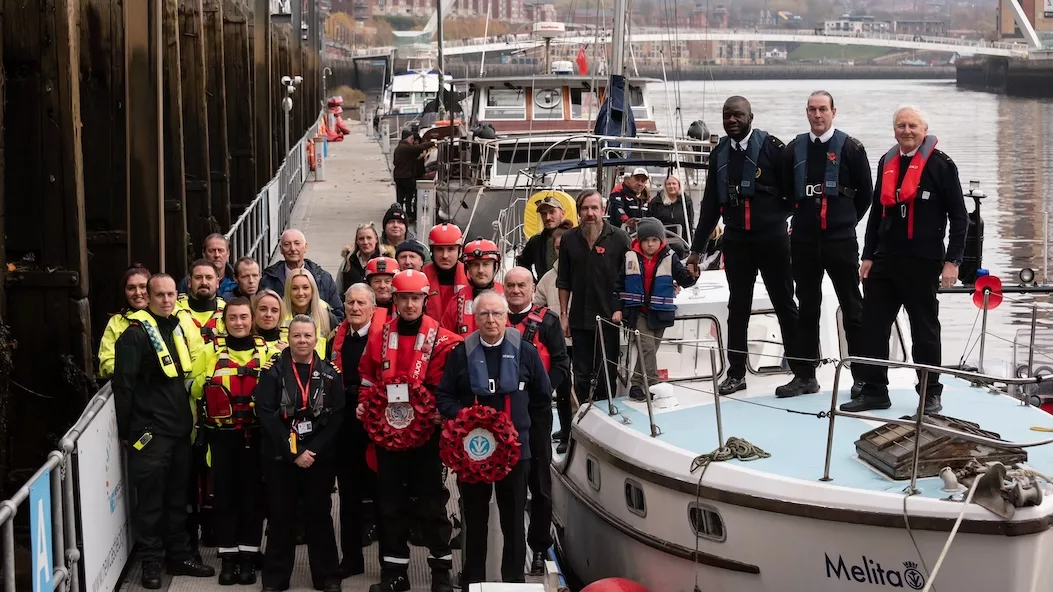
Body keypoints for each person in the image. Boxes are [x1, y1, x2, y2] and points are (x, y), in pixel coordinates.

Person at [841, 105, 968, 414]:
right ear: (894, 130)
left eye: (912, 126)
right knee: (873, 327)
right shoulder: (887, 162)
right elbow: (875, 214)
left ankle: (930, 394)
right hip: (885, 261)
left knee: (924, 330)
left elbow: (960, 217)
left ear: (924, 130)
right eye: (901, 126)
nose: (906, 131)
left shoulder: (941, 166)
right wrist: (868, 255)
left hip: (923, 262)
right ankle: (874, 390)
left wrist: (953, 261)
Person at [685, 95, 806, 396]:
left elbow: (793, 195)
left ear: (751, 116)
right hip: (737, 241)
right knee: (737, 307)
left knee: (785, 303)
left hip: (772, 239)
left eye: (738, 115)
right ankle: (736, 373)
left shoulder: (773, 149)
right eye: (727, 115)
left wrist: (777, 218)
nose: (732, 120)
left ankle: (803, 372)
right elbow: (711, 206)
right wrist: (696, 251)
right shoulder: (719, 154)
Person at [435, 291, 553, 585]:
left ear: (505, 317)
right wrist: (462, 418)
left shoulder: (526, 351)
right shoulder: (461, 353)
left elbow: (541, 397)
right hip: (473, 453)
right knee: (474, 523)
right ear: (476, 319)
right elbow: (444, 396)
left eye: (497, 314)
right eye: (484, 314)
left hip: (516, 453)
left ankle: (513, 582)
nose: (491, 320)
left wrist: (533, 440)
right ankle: (472, 581)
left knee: (513, 522)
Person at [357, 270, 461, 592]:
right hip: (387, 436)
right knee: (390, 503)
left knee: (431, 503)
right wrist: (364, 405)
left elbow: (450, 388)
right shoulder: (378, 336)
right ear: (395, 300)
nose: (410, 304)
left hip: (426, 437)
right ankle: (394, 573)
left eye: (416, 298)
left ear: (425, 300)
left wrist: (441, 414)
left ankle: (440, 572)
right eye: (404, 298)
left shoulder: (444, 341)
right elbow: (367, 379)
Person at [112, 273, 216, 588]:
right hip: (151, 433)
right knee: (151, 504)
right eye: (160, 295)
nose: (167, 300)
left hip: (180, 431)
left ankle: (179, 556)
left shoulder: (177, 326)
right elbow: (124, 387)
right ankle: (152, 564)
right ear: (149, 296)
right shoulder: (134, 335)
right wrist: (128, 432)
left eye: (172, 294)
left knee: (177, 501)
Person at [781, 90, 873, 398]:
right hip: (805, 240)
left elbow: (866, 195)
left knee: (852, 306)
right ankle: (805, 375)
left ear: (834, 112)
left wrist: (844, 220)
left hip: (839, 239)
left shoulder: (851, 148)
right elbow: (784, 192)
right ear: (806, 112)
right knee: (807, 307)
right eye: (812, 109)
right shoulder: (794, 149)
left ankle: (861, 377)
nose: (817, 115)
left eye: (823, 109)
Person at [256, 315, 345, 592]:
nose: (302, 341)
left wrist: (313, 451)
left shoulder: (330, 372)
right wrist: (295, 452)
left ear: (316, 337)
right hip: (282, 457)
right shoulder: (273, 372)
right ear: (289, 337)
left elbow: (337, 415)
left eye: (308, 335)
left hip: (318, 458)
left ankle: (327, 576)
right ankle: (275, 579)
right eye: (297, 335)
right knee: (281, 516)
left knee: (319, 514)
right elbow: (266, 414)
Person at [190, 298, 275, 586]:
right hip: (221, 436)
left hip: (256, 436)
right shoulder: (208, 352)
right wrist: (210, 385)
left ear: (252, 320)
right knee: (224, 498)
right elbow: (191, 386)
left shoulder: (269, 353)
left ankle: (249, 558)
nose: (239, 323)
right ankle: (228, 557)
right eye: (233, 318)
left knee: (252, 498)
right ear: (224, 322)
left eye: (244, 317)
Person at [503, 267, 570, 575]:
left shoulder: (548, 323)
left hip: (536, 415)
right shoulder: (493, 319)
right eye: (511, 285)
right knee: (507, 486)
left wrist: (541, 393)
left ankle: (540, 546)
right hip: (500, 415)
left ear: (532, 289)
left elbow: (560, 364)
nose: (516, 290)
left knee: (540, 486)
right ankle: (508, 546)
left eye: (522, 285)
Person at [558, 190, 631, 401]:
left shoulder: (619, 238)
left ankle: (607, 417)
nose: (590, 213)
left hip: (609, 319)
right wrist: (564, 315)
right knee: (580, 375)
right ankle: (583, 415)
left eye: (594, 208)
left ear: (603, 210)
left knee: (607, 374)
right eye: (585, 208)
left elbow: (631, 276)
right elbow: (564, 280)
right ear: (579, 212)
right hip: (579, 319)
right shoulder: (569, 239)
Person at [328, 284, 380, 578]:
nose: (355, 308)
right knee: (347, 498)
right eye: (350, 303)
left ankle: (390, 562)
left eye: (361, 303)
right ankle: (351, 560)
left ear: (373, 308)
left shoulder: (384, 338)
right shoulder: (335, 340)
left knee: (382, 497)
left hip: (377, 428)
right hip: (344, 427)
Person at [614, 218, 697, 401]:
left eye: (654, 240)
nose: (650, 244)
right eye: (646, 240)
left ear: (661, 240)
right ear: (640, 241)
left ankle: (636, 385)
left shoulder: (670, 257)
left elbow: (685, 280)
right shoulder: (630, 256)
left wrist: (693, 274)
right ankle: (654, 385)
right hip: (638, 311)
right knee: (648, 348)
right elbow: (619, 285)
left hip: (661, 312)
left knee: (648, 351)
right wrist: (617, 309)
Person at [534, 227, 574, 453]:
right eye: (558, 248)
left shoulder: (582, 272)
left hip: (581, 340)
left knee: (581, 388)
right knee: (562, 389)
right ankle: (566, 431)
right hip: (558, 343)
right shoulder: (548, 278)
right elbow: (537, 303)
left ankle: (575, 431)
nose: (562, 251)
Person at [259, 229, 344, 322]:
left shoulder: (324, 279)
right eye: (287, 244)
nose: (292, 248)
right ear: (281, 249)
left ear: (305, 247)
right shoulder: (268, 280)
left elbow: (338, 314)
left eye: (297, 243)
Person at [440, 238, 505, 335]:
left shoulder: (507, 296)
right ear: (468, 269)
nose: (481, 270)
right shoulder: (457, 301)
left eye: (486, 264)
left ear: (495, 267)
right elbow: (444, 335)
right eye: (475, 265)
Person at [99, 265, 152, 378]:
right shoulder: (116, 322)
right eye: (131, 288)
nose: (138, 292)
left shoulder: (165, 316)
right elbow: (107, 361)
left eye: (143, 286)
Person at [283, 268, 337, 352]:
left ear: (312, 290)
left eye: (305, 287)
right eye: (295, 288)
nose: (300, 293)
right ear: (288, 291)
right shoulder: (278, 315)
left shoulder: (327, 317)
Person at [422, 224, 468, 321]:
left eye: (451, 249)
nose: (445, 256)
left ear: (460, 251)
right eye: (439, 249)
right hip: (431, 334)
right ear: (432, 251)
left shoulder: (471, 277)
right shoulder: (421, 278)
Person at [177, 259, 227, 346]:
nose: (204, 282)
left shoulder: (228, 312)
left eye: (209, 277)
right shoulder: (175, 311)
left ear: (217, 282)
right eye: (198, 278)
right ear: (189, 282)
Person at [517, 196, 567, 280]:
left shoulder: (574, 238)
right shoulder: (536, 241)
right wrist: (532, 283)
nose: (547, 217)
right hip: (544, 291)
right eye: (543, 214)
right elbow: (523, 263)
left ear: (562, 213)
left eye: (552, 212)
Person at [392, 131, 435, 222]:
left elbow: (396, 162)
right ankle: (409, 215)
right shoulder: (406, 148)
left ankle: (398, 214)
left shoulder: (398, 148)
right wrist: (433, 143)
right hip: (406, 177)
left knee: (400, 197)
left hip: (398, 176)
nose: (413, 141)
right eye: (412, 139)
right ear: (409, 139)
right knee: (409, 197)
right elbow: (419, 148)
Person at [647, 175, 695, 245]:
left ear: (679, 185)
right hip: (661, 240)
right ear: (665, 186)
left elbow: (690, 222)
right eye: (668, 184)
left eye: (674, 183)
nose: (671, 186)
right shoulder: (656, 201)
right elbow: (650, 221)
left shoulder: (686, 201)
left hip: (682, 240)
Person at [339, 223, 383, 292]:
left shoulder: (386, 261)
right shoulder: (348, 262)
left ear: (376, 239)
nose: (365, 242)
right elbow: (338, 291)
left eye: (369, 238)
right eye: (361, 239)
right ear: (357, 241)